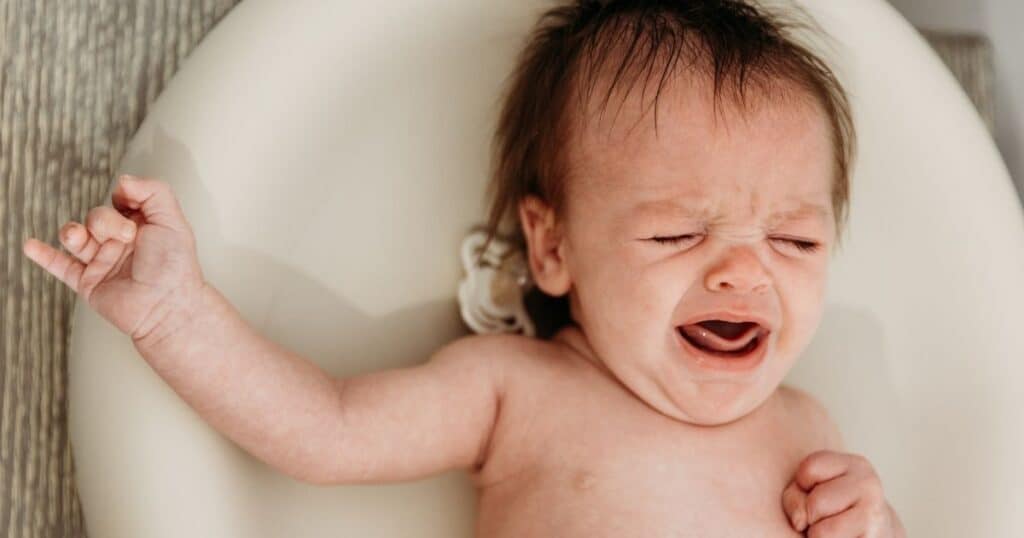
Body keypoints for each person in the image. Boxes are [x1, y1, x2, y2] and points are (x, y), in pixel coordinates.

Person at [22, 1, 906, 535]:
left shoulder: (807, 432)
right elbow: (326, 430)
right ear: (552, 248)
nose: (744, 276)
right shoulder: (513, 392)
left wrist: (877, 525)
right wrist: (178, 315)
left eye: (794, 241)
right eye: (678, 235)